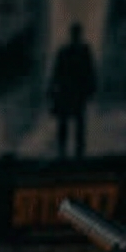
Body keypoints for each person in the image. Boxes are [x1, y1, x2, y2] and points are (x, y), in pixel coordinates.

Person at [47, 22, 99, 158]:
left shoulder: (75, 51)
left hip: (73, 91)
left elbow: (89, 71)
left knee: (75, 123)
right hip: (70, 91)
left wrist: (52, 89)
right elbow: (57, 72)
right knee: (69, 123)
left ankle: (73, 152)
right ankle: (68, 151)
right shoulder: (73, 51)